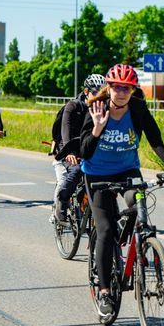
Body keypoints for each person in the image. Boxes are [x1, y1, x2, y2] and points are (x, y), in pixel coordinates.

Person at [80, 64, 164, 317]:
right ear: (109, 88)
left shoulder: (138, 108)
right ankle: (105, 291)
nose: (121, 93)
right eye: (117, 87)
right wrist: (97, 128)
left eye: (126, 89)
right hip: (97, 174)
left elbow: (155, 141)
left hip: (127, 170)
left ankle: (140, 248)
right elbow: (84, 151)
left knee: (138, 207)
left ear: (133, 90)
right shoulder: (96, 107)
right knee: (105, 229)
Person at [53, 74, 106, 224]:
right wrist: (69, 152)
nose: (99, 97)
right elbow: (66, 130)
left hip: (88, 146)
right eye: (96, 93)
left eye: (103, 94)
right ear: (86, 91)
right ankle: (62, 200)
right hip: (69, 146)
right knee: (77, 170)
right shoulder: (73, 106)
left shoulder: (102, 107)